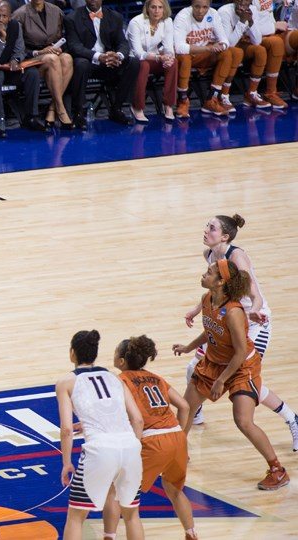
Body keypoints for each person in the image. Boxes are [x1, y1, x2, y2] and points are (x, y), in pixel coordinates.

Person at [183, 215, 298, 451]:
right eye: (207, 225)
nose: (206, 230)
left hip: (255, 322)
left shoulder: (237, 256)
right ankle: (194, 411)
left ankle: (291, 418)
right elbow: (215, 292)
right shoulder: (210, 255)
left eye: (211, 228)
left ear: (225, 236)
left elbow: (255, 296)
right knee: (193, 368)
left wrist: (253, 314)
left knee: (245, 381)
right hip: (226, 320)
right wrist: (197, 309)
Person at [174, 260, 290, 490]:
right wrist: (188, 347)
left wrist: (221, 380)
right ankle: (177, 456)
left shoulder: (235, 312)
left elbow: (241, 351)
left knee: (243, 421)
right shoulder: (208, 299)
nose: (203, 275)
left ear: (221, 282)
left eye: (209, 273)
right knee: (186, 408)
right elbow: (210, 330)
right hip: (215, 362)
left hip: (242, 367)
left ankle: (278, 470)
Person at [102, 336, 197, 540]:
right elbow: (185, 406)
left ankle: (108, 536)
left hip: (152, 440)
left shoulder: (120, 380)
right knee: (174, 490)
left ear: (121, 361)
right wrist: (179, 433)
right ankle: (191, 533)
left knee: (117, 493)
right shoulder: (156, 378)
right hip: (177, 437)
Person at [56, 330, 144, 540]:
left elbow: (67, 429)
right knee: (131, 515)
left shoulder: (66, 382)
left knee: (76, 517)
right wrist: (133, 448)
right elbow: (138, 420)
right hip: (131, 447)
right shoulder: (116, 378)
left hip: (100, 451)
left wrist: (67, 462)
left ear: (72, 353)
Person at [0, 1, 45, 137]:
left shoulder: (16, 26)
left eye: (4, 16)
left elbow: (20, 51)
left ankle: (31, 116)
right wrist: (2, 39)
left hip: (5, 68)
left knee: (32, 73)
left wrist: (15, 60)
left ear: (10, 17)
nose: (0, 19)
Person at [65, 0, 140, 128]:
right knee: (80, 64)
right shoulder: (71, 18)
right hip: (88, 60)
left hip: (109, 61)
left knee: (133, 62)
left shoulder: (115, 16)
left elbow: (122, 43)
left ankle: (117, 108)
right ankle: (77, 113)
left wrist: (118, 56)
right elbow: (74, 46)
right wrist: (99, 57)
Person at [13, 0, 74, 128]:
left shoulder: (56, 11)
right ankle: (61, 109)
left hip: (52, 55)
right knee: (52, 59)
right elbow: (16, 48)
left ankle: (52, 109)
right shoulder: (19, 15)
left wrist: (59, 48)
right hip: (30, 60)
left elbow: (64, 37)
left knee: (67, 58)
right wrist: (38, 52)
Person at [172, 0, 237, 117]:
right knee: (184, 58)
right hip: (188, 56)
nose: (201, 11)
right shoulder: (182, 16)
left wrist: (221, 45)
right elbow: (179, 48)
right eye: (197, 6)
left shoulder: (213, 13)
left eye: (204, 7)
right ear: (191, 5)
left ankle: (211, 100)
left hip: (205, 54)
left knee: (227, 54)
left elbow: (225, 40)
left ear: (209, 6)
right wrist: (208, 49)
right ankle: (182, 102)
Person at [216, 0, 274, 111]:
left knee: (260, 50)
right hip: (225, 49)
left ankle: (251, 93)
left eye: (247, 3)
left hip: (242, 44)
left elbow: (257, 41)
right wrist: (242, 21)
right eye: (240, 2)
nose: (244, 5)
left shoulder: (252, 10)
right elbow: (229, 44)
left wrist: (251, 21)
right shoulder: (224, 12)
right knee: (236, 52)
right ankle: (223, 95)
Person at [126, 0, 177, 121]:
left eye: (160, 7)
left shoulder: (167, 21)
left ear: (165, 9)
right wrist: (158, 57)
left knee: (173, 63)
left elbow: (169, 47)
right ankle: (137, 106)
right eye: (153, 7)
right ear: (147, 8)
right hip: (133, 59)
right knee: (144, 65)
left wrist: (169, 57)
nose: (157, 11)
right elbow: (138, 53)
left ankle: (168, 104)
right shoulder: (136, 22)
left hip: (154, 57)